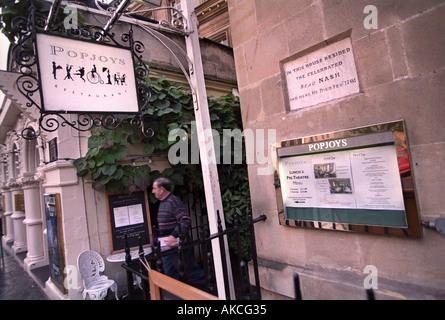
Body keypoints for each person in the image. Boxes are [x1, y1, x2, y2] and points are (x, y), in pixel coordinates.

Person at [152, 177, 206, 290]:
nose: (153, 191)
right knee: (170, 276)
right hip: (167, 248)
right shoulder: (163, 202)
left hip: (177, 247)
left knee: (191, 274)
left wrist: (174, 235)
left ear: (162, 189)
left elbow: (185, 219)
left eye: (154, 188)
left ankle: (207, 293)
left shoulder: (173, 201)